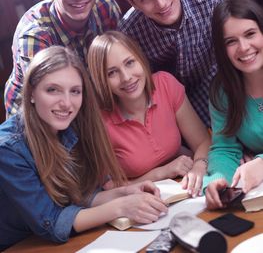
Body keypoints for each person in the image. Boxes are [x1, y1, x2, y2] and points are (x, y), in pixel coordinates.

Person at [0, 46, 167, 250]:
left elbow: (81, 197)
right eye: (52, 90)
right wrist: (122, 207)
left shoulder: (72, 127)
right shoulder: (8, 148)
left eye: (75, 91)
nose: (66, 103)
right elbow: (51, 222)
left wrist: (125, 193)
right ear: (31, 93)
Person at [4, 0, 121, 118]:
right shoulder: (35, 35)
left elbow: (118, 64)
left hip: (90, 102)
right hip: (37, 120)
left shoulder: (104, 6)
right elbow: (54, 105)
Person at [114, 0, 229, 127]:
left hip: (225, 91)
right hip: (172, 115)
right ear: (132, 3)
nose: (161, 3)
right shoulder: (128, 33)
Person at [87, 31, 211, 197]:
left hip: (183, 188)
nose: (126, 77)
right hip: (139, 200)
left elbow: (203, 141)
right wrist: (161, 173)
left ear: (140, 59)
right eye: (112, 73)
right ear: (102, 81)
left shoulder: (165, 84)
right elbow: (108, 186)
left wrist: (199, 166)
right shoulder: (99, 122)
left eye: (130, 63)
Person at [202, 0, 263, 209]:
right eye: (231, 41)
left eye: (250, 34)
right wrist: (218, 180)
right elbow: (224, 148)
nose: (244, 47)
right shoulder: (222, 91)